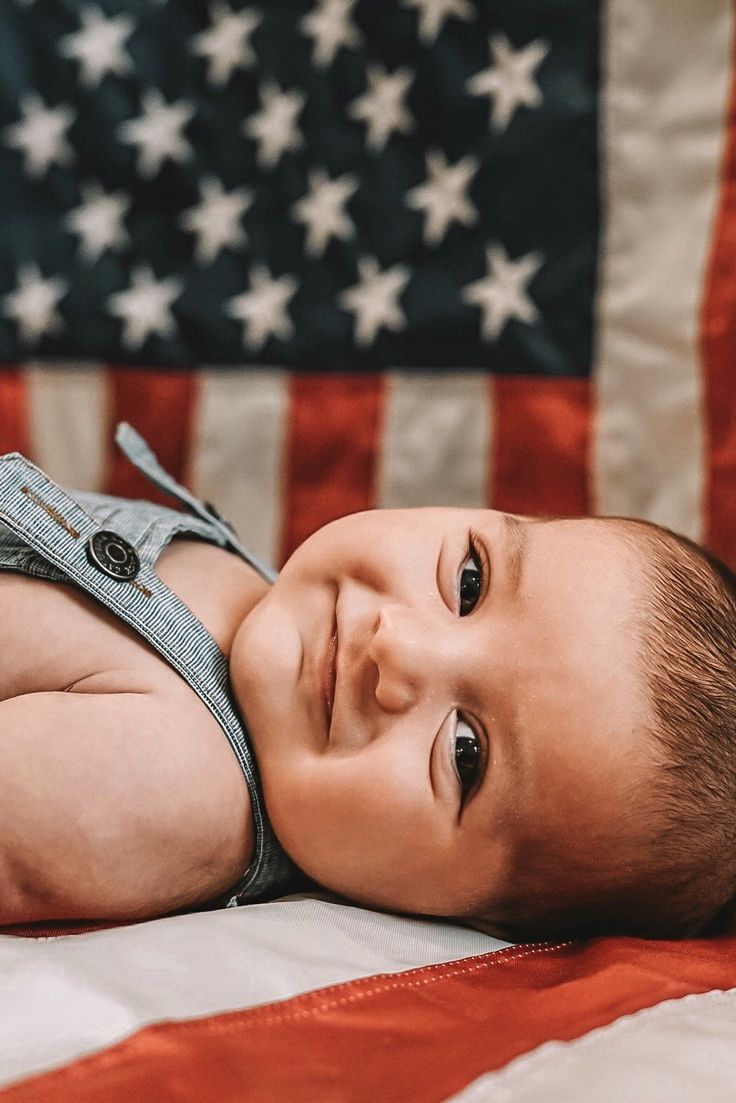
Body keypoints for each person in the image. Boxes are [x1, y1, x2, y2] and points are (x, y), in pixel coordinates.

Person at [0, 424, 734, 940]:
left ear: (470, 914)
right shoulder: (258, 590)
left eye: (466, 753)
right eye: (470, 580)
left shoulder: (182, 782)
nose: (398, 649)